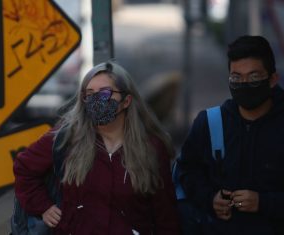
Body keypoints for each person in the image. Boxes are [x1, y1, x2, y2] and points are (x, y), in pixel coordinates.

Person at [178, 35, 284, 235]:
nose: (244, 83)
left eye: (254, 77)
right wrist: (210, 199)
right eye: (236, 77)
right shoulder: (208, 123)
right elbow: (186, 172)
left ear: (273, 79)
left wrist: (263, 203)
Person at [14, 61, 180, 234]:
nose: (96, 100)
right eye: (89, 94)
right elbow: (23, 167)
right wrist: (44, 207)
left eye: (105, 93)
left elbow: (165, 214)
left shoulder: (151, 148)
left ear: (126, 101)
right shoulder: (67, 138)